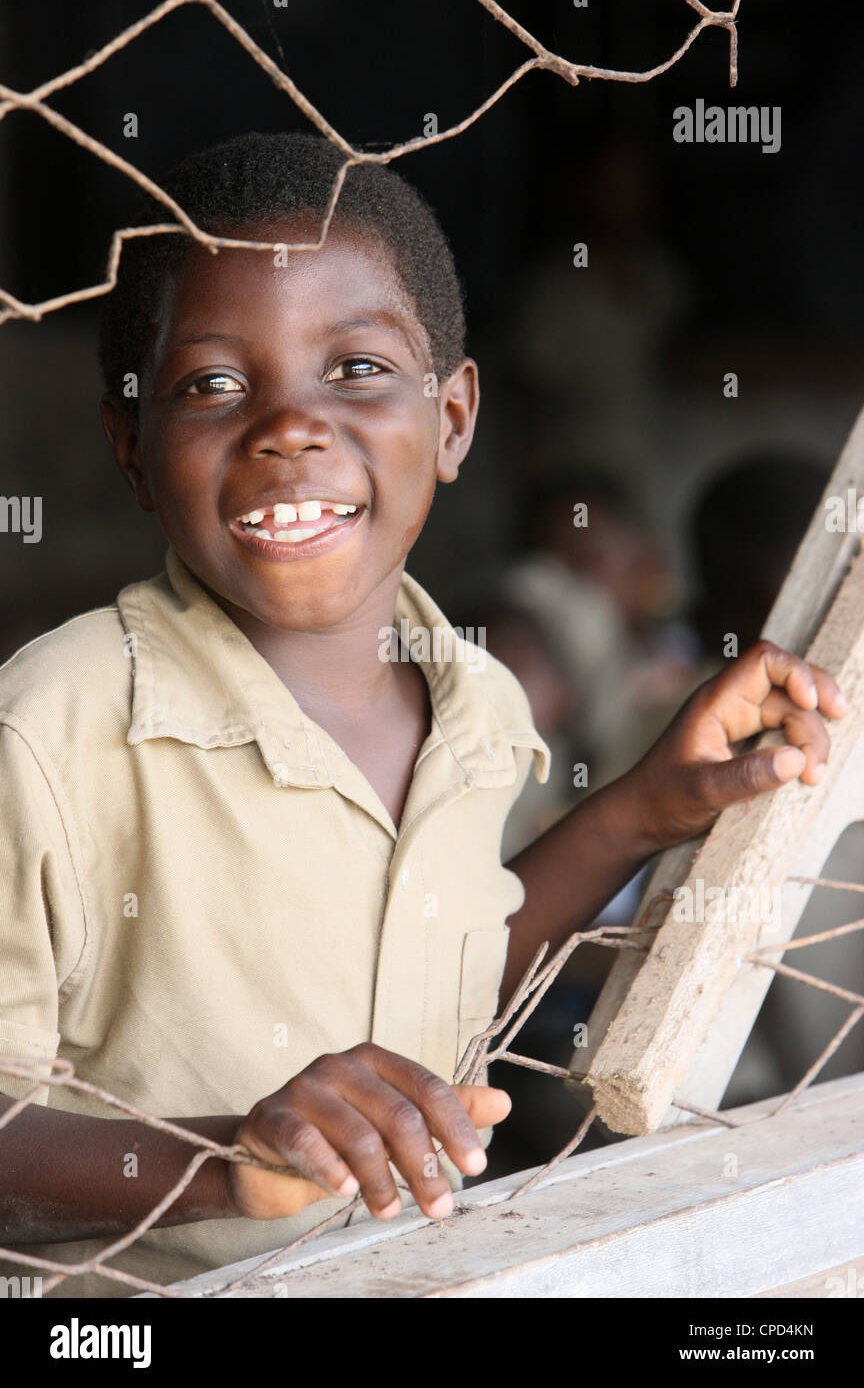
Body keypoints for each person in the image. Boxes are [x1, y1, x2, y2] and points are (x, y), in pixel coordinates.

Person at [0, 133, 846, 1297]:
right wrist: (224, 1165)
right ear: (131, 451)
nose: (287, 425)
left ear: (452, 420)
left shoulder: (478, 702)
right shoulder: (51, 728)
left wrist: (636, 810)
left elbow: (432, 987)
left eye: (355, 369)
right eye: (213, 384)